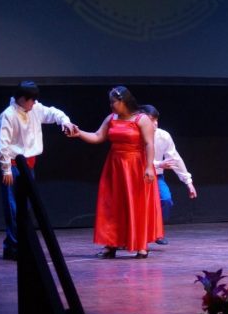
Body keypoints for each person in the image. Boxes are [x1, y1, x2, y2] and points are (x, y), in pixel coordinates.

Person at [69, 86, 163, 258]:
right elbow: (98, 136)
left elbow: (149, 144)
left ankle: (141, 245)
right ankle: (111, 244)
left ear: (123, 101)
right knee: (112, 205)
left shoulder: (142, 119)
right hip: (115, 166)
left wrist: (149, 166)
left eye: (113, 102)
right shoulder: (111, 118)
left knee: (137, 205)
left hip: (136, 166)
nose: (111, 105)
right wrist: (79, 133)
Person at [0, 81, 76, 261]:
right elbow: (3, 144)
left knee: (26, 207)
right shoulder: (8, 115)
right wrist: (6, 169)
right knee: (13, 207)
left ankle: (18, 243)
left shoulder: (35, 109)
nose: (34, 104)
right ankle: (13, 246)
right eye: (31, 101)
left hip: (29, 166)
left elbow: (53, 112)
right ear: (23, 99)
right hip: (14, 166)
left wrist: (65, 122)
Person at [140, 105, 197, 245]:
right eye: (151, 120)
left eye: (156, 120)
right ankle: (135, 235)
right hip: (136, 176)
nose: (155, 123)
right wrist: (159, 164)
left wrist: (188, 182)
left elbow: (175, 158)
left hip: (156, 176)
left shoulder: (163, 135)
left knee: (165, 200)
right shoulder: (135, 135)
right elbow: (138, 159)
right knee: (138, 206)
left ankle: (156, 231)